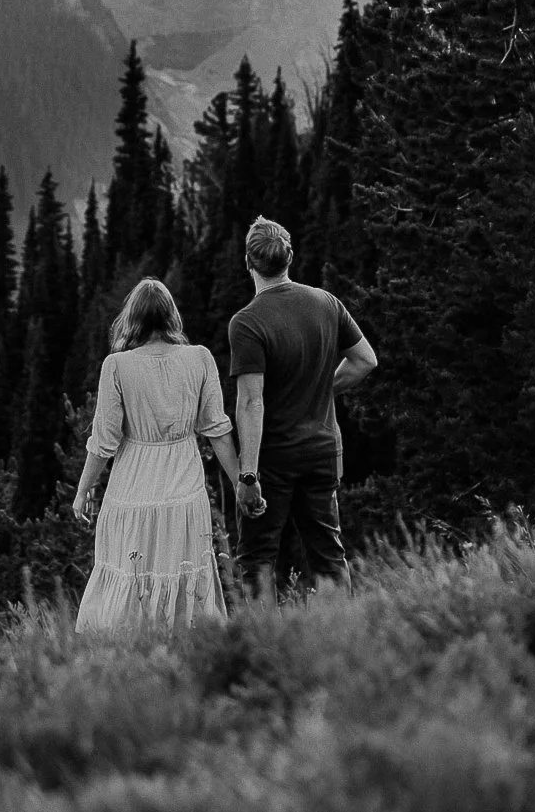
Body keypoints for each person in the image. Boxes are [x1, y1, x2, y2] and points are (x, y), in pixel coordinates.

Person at [71, 278, 240, 635]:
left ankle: (127, 662)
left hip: (131, 490)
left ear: (131, 320)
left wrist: (83, 490)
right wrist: (241, 482)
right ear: (171, 317)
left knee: (128, 577)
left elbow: (103, 441)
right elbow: (217, 429)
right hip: (184, 489)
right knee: (184, 574)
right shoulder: (199, 359)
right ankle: (189, 655)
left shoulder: (117, 366)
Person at [228, 216, 376, 594]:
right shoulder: (326, 303)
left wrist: (248, 476)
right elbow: (365, 361)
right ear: (289, 258)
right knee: (328, 557)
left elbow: (250, 403)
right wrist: (322, 388)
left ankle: (261, 648)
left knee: (257, 560)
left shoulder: (247, 322)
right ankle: (339, 644)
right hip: (323, 452)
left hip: (274, 459)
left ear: (248, 262)